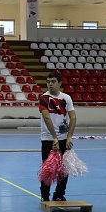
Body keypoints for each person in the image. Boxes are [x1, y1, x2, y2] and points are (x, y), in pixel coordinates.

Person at [38, 71, 77, 202]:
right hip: (48, 139)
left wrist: (69, 137)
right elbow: (47, 118)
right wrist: (54, 138)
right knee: (47, 168)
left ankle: (59, 194)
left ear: (59, 83)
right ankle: (44, 195)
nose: (50, 84)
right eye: (48, 82)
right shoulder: (43, 98)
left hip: (64, 138)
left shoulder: (66, 98)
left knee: (63, 168)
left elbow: (73, 117)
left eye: (53, 81)